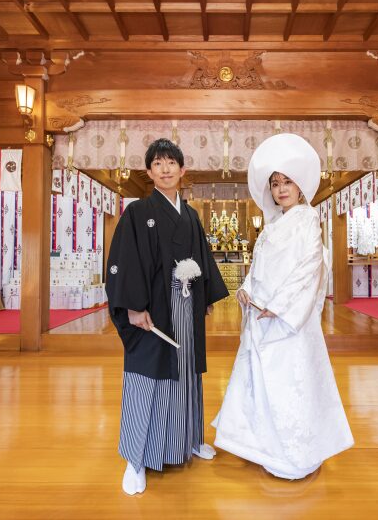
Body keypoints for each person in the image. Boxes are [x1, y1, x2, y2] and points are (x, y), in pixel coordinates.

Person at [212, 133, 354, 480]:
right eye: (275, 184)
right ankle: (267, 445)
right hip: (262, 316)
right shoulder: (272, 225)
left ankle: (296, 452)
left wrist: (279, 306)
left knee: (290, 382)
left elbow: (311, 266)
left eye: (287, 182)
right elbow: (258, 266)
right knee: (264, 383)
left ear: (300, 186)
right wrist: (245, 288)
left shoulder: (307, 219)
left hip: (286, 319)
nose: (280, 189)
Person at [106, 138, 229, 495]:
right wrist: (132, 305)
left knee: (187, 372)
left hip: (186, 306)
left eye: (171, 163)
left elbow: (203, 259)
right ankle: (136, 458)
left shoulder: (190, 215)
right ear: (148, 172)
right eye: (157, 164)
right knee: (148, 377)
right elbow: (126, 261)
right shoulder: (137, 213)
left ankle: (189, 440)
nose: (165, 169)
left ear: (182, 170)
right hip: (152, 309)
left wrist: (205, 296)